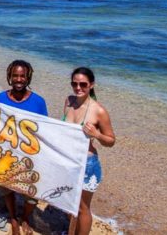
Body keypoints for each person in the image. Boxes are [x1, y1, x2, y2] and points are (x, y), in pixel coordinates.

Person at [0, 60, 47, 235]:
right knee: (6, 187)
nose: (19, 79)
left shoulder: (38, 102)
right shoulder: (0, 99)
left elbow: (46, 132)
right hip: (7, 155)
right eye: (15, 75)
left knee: (32, 193)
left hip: (30, 156)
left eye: (22, 76)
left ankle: (26, 218)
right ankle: (13, 217)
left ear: (28, 77)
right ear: (9, 77)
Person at [62, 67, 115, 235]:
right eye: (74, 84)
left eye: (83, 84)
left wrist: (96, 134)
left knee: (83, 208)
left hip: (87, 165)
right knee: (70, 204)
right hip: (70, 161)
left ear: (91, 85)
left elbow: (111, 141)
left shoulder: (99, 111)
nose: (78, 88)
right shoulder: (69, 101)